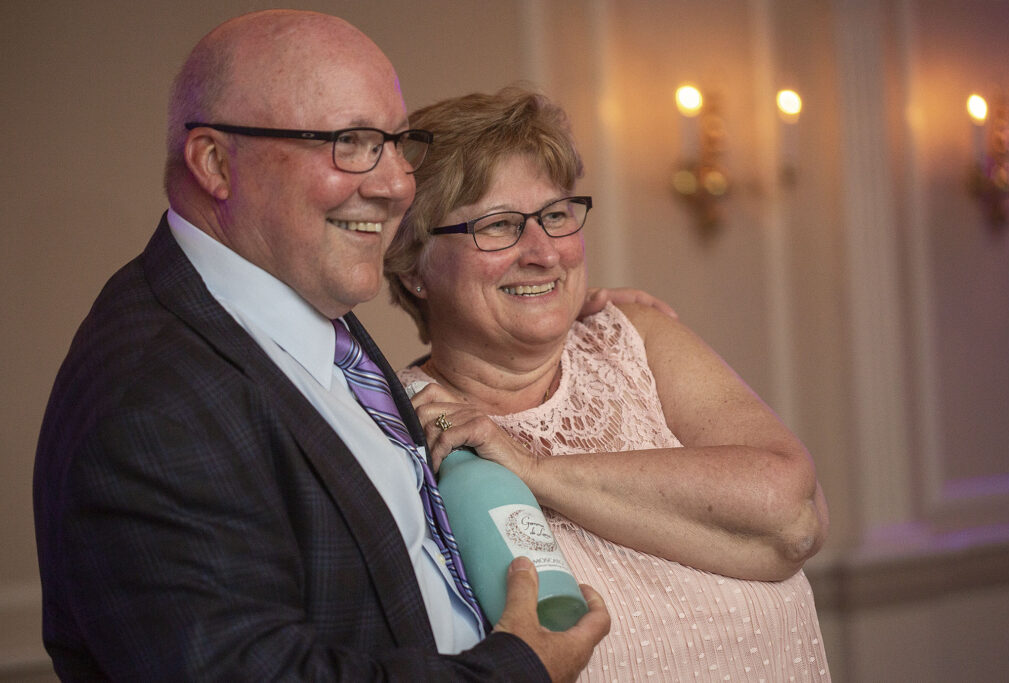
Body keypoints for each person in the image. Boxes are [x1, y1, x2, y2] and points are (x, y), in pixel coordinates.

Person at [33, 12, 612, 681]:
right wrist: (519, 669)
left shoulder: (295, 295)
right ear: (217, 163)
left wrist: (582, 313)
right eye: (351, 142)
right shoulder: (150, 399)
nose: (397, 183)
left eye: (397, 143)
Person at [385, 86, 832, 681]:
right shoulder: (404, 425)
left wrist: (537, 473)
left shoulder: (634, 339)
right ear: (415, 266)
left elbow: (793, 515)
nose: (544, 252)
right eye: (497, 226)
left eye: (556, 215)